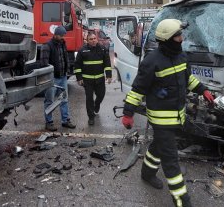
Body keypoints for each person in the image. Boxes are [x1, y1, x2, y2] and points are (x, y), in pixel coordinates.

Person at [121, 19, 215, 207]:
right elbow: (138, 89)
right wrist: (128, 113)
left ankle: (146, 174)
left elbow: (187, 79)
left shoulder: (181, 56)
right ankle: (182, 201)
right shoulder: (151, 61)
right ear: (168, 39)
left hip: (178, 115)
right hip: (161, 119)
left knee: (158, 146)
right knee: (171, 161)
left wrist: (203, 89)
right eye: (178, 36)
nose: (182, 38)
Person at [40, 26, 76, 131]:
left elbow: (65, 58)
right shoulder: (47, 46)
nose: (62, 37)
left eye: (63, 35)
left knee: (64, 99)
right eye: (60, 35)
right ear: (55, 34)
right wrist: (48, 77)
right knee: (49, 101)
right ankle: (49, 122)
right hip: (52, 79)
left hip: (63, 76)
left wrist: (67, 70)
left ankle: (65, 121)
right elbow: (44, 64)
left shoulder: (62, 44)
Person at [74, 31, 112, 125]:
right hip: (87, 80)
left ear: (97, 39)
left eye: (94, 38)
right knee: (89, 98)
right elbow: (77, 65)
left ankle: (97, 103)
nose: (93, 40)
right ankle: (91, 117)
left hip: (100, 79)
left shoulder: (102, 49)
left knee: (101, 95)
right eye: (91, 39)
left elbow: (107, 63)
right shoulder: (82, 50)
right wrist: (79, 78)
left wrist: (109, 75)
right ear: (87, 40)